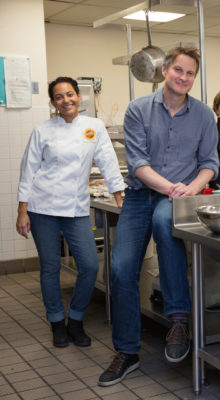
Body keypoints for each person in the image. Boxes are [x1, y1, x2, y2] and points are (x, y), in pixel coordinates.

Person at [98, 46, 219, 387]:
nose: (183, 77)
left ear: (194, 78)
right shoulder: (138, 110)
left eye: (190, 73)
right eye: (178, 70)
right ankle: (126, 351)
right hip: (140, 196)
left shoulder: (204, 116)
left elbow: (210, 163)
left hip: (180, 196)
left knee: (167, 224)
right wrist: (173, 188)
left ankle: (179, 322)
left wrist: (190, 189)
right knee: (121, 268)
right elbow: (137, 165)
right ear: (165, 69)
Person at [16, 77, 124, 348]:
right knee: (50, 267)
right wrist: (22, 210)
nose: (66, 100)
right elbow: (28, 171)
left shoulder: (94, 127)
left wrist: (120, 197)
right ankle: (56, 322)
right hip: (42, 208)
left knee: (88, 265)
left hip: (75, 207)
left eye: (70, 94)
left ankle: (75, 319)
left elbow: (109, 162)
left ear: (78, 96)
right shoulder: (42, 131)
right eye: (59, 97)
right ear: (53, 102)